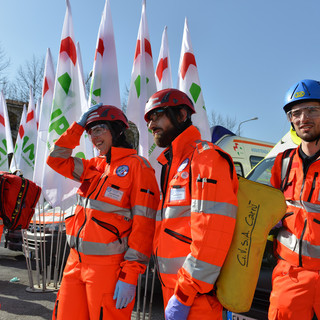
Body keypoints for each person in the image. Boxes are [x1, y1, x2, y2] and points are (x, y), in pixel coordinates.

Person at [47, 104, 159, 320]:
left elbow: (144, 226)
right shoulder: (93, 165)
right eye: (90, 133)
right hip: (74, 262)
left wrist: (130, 275)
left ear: (117, 130)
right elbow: (56, 159)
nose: (93, 137)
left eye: (98, 129)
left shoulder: (139, 167)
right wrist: (77, 128)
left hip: (108, 268)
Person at [144, 88, 239, 320]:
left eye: (157, 116)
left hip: (195, 296)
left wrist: (184, 293)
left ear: (182, 114)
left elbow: (211, 236)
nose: (150, 125)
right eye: (149, 119)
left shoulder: (206, 159)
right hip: (174, 290)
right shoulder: (172, 165)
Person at [268, 79, 320, 320]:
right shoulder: (283, 162)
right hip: (289, 277)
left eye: (312, 110)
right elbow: (270, 213)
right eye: (295, 113)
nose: (303, 118)